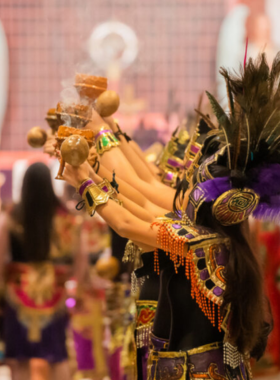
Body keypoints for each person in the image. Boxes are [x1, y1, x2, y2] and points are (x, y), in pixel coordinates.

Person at [62, 52, 280, 379]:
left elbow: (127, 220)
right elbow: (136, 200)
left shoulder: (199, 245)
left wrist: (84, 181)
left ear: (222, 207)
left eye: (196, 186)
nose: (188, 189)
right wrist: (90, 168)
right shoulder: (206, 238)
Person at [0, 162, 84, 380]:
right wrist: (75, 287)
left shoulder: (11, 217)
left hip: (17, 293)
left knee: (19, 358)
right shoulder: (67, 218)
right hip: (54, 293)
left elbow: (0, 260)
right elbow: (80, 259)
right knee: (58, 355)